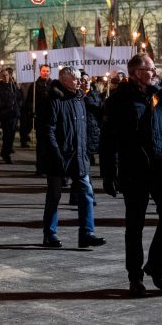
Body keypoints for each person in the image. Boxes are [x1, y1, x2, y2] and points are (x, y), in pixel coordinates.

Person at [101, 54, 162, 297]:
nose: (154, 72)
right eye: (150, 68)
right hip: (134, 170)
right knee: (134, 226)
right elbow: (108, 140)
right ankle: (135, 277)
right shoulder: (119, 100)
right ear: (136, 72)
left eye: (154, 68)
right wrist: (108, 173)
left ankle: (155, 265)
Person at [41, 67, 106, 250]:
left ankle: (87, 233)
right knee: (54, 196)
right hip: (59, 157)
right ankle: (50, 233)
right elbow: (48, 130)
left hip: (79, 156)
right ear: (64, 80)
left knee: (86, 194)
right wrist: (56, 154)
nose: (79, 81)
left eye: (79, 78)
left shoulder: (80, 98)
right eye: (75, 78)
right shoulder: (54, 99)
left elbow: (85, 127)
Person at [21, 64, 51, 149]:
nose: (46, 73)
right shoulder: (34, 85)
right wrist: (32, 110)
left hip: (51, 116)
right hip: (39, 116)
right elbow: (29, 100)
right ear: (40, 72)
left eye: (47, 71)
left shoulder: (53, 85)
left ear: (50, 72)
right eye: (44, 71)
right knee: (41, 139)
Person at [0, 68, 23, 163]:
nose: (5, 77)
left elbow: (19, 97)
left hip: (14, 113)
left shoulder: (14, 85)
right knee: (7, 134)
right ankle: (6, 153)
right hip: (5, 113)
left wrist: (18, 105)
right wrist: (5, 104)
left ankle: (5, 151)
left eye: (7, 75)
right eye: (3, 75)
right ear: (0, 77)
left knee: (11, 134)